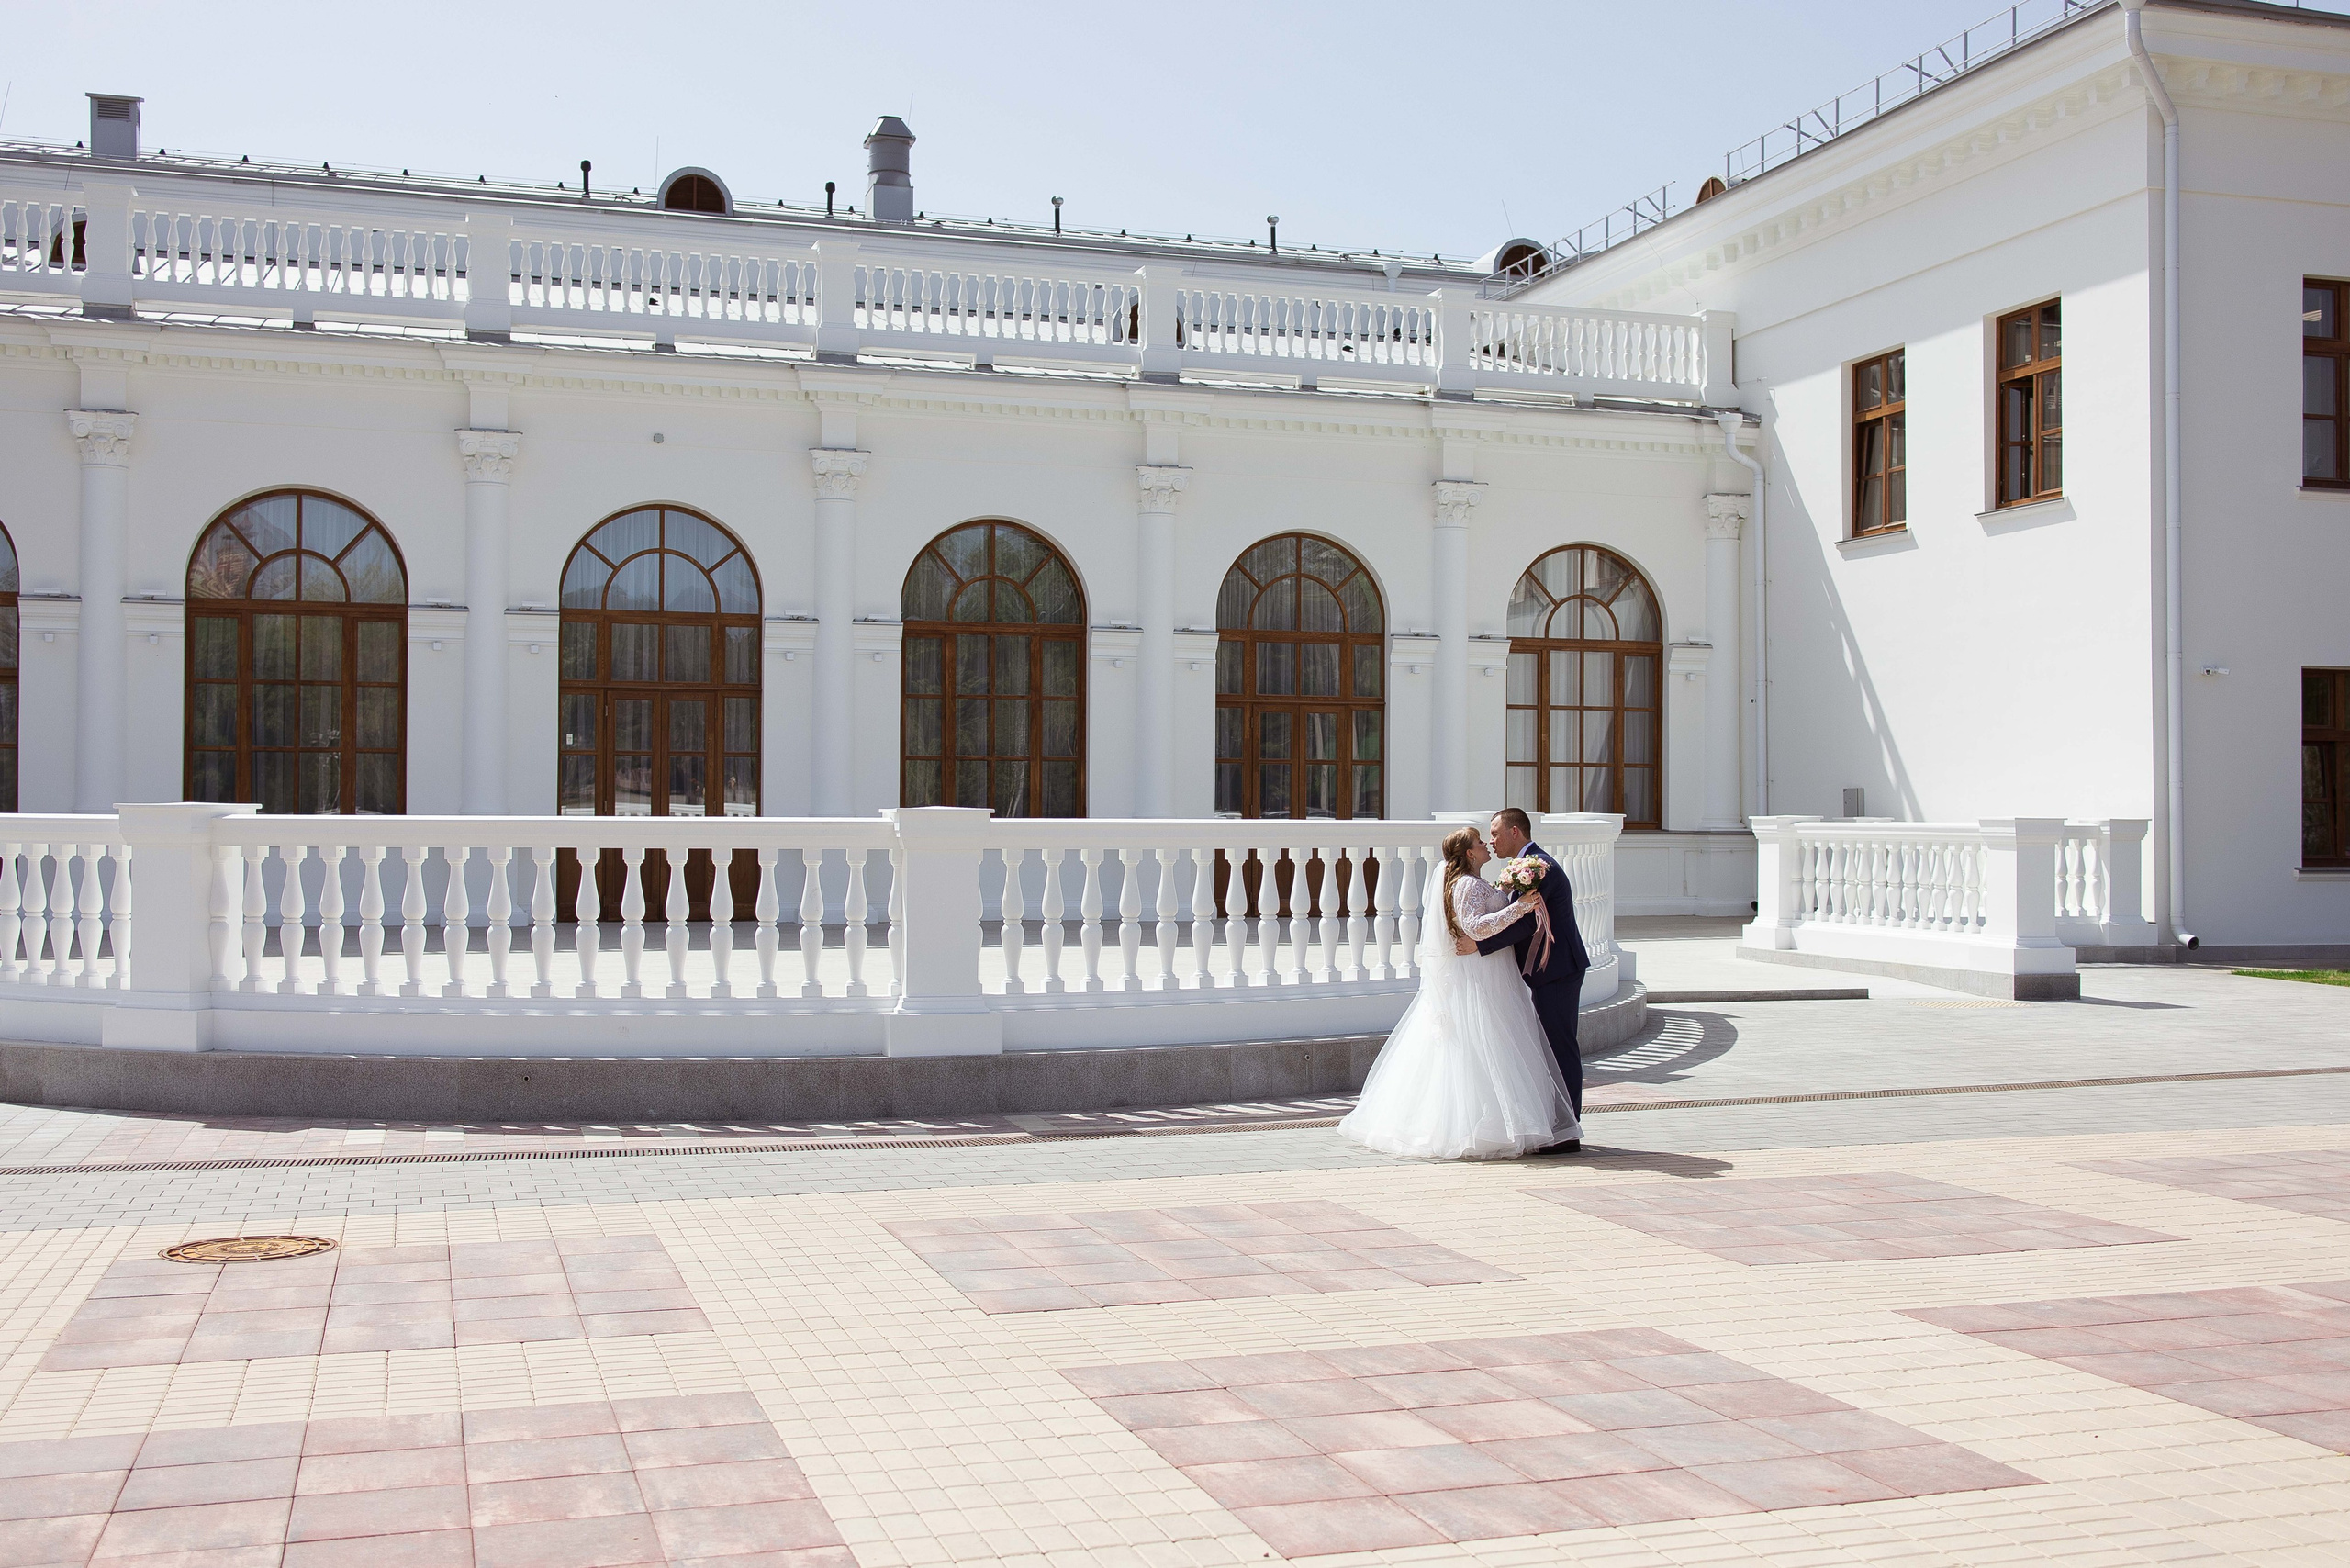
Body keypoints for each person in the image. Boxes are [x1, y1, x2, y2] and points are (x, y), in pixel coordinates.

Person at [1337, 826, 1582, 1160]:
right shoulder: (1467, 884)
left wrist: (1515, 904)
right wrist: (1520, 906)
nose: (1487, 845)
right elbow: (1476, 928)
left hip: (1497, 973)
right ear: (1469, 853)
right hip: (1483, 976)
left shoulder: (1481, 882)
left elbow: (1485, 925)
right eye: (1481, 841)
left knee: (1501, 1047)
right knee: (1485, 1047)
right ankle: (1489, 1127)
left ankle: (1528, 1124)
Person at [1460, 806, 1590, 1136]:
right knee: (1550, 1048)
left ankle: (1568, 1129)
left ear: (1514, 832)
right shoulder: (1523, 866)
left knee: (1560, 1048)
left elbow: (1529, 922)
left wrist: (1481, 945)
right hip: (1547, 971)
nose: (1491, 841)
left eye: (1495, 833)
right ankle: (1558, 1122)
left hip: (1558, 969)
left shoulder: (1539, 867)